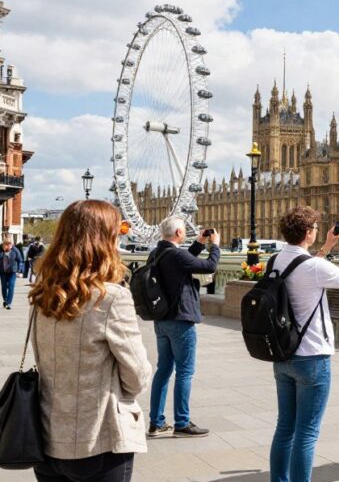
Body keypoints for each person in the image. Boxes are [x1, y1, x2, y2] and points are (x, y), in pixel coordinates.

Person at [28, 200, 152, 481]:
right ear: (104, 240)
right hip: (98, 439)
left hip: (47, 438)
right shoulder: (111, 297)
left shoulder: (43, 294)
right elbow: (138, 376)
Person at [269, 206, 339, 482]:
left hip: (282, 354)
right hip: (311, 357)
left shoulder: (275, 260)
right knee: (307, 433)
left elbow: (304, 267)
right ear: (308, 233)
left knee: (285, 427)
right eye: (316, 229)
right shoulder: (315, 267)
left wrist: (326, 246)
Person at [147, 216, 221, 439]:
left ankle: (156, 422)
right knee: (185, 372)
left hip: (161, 320)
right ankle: (182, 421)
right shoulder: (176, 255)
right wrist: (214, 245)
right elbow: (210, 265)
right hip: (181, 319)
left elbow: (186, 261)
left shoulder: (157, 253)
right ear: (179, 233)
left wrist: (198, 243)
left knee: (163, 370)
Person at [1, 233, 25, 309]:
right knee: (4, 287)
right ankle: (5, 299)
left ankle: (8, 303)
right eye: (6, 244)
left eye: (9, 244)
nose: (8, 246)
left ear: (12, 244)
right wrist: (3, 252)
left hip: (12, 272)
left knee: (11, 286)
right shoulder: (1, 250)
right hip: (3, 272)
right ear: (3, 245)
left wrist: (20, 271)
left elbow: (20, 260)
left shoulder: (15, 250)